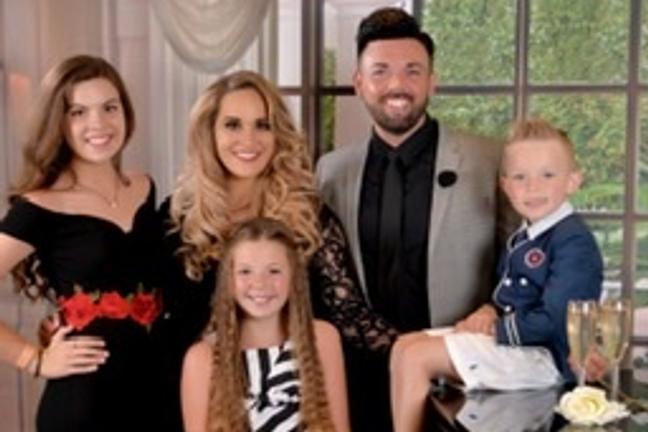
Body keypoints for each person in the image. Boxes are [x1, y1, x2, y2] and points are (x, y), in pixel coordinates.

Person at [153, 70, 397, 431]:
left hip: (300, 391)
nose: (249, 139)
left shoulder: (308, 214)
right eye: (232, 125)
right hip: (201, 398)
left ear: (278, 133)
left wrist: (421, 350)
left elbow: (351, 316)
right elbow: (153, 313)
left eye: (262, 125)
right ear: (209, 133)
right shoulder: (177, 219)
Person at [316, 7, 516, 429]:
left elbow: (526, 259)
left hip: (464, 387)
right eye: (381, 71)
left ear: (432, 81)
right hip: (361, 385)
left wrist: (497, 311)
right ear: (359, 82)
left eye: (412, 71)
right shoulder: (330, 172)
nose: (397, 85)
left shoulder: (490, 159)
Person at [389, 118, 604, 432]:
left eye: (547, 175)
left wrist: (494, 328)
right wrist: (489, 310)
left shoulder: (573, 240)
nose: (533, 187)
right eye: (520, 176)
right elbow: (510, 295)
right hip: (519, 345)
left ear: (573, 181)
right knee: (404, 346)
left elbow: (557, 320)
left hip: (545, 358)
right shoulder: (525, 235)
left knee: (416, 357)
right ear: (505, 185)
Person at [0, 55, 162, 431]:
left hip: (156, 393)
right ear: (59, 122)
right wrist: (33, 359)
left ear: (126, 113)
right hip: (84, 406)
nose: (98, 123)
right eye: (78, 112)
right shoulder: (39, 207)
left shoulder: (145, 188)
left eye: (109, 107)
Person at [181, 217, 350, 431]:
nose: (260, 283)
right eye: (245, 271)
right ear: (228, 281)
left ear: (293, 278)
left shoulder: (322, 337)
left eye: (274, 271)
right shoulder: (202, 358)